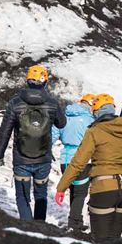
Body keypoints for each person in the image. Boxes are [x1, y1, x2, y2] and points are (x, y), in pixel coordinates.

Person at [55, 94, 122, 243]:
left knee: (100, 243)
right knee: (114, 243)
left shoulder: (94, 131)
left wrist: (61, 187)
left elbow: (78, 163)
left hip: (103, 190)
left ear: (96, 112)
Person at [0, 65, 66, 221]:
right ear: (45, 81)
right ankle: (40, 229)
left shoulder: (15, 103)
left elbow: (5, 131)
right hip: (43, 159)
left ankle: (28, 229)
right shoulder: (52, 103)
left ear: (27, 80)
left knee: (22, 197)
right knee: (41, 196)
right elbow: (62, 124)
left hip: (21, 159)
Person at [51, 93, 96, 230]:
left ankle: (76, 219)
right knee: (80, 193)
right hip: (82, 159)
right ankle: (74, 222)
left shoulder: (65, 116)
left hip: (65, 159)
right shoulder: (90, 120)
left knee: (73, 190)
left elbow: (53, 135)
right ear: (90, 105)